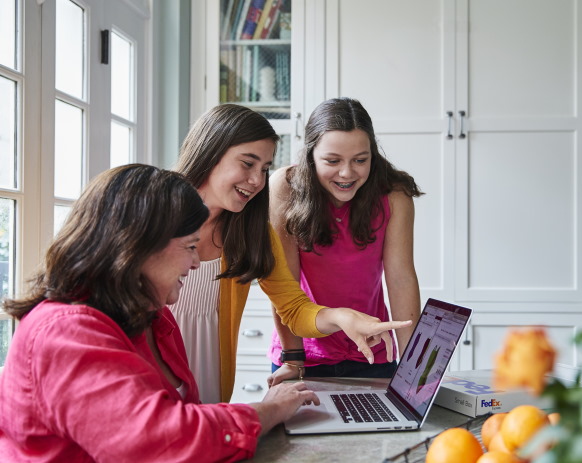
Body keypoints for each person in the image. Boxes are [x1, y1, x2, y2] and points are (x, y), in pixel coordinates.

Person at [0, 164, 321, 462]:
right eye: (189, 246)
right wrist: (268, 409)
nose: (196, 262)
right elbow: (162, 439)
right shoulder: (64, 333)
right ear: (137, 245)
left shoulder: (155, 318)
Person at [171, 104, 410, 403]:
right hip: (150, 377)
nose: (257, 180)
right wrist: (295, 356)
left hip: (207, 382)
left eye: (264, 169)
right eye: (247, 164)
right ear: (210, 151)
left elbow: (293, 306)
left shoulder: (250, 233)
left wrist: (341, 317)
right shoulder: (151, 213)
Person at [267, 97, 424, 386]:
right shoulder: (285, 187)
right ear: (311, 154)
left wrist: (412, 369)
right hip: (304, 353)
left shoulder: (394, 194)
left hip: (373, 353)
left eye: (360, 160)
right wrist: (293, 358)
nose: (347, 173)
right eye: (332, 161)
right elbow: (283, 284)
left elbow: (401, 280)